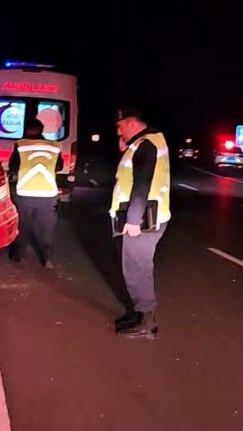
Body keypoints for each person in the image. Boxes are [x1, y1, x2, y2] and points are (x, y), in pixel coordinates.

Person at [111, 107, 170, 339]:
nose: (118, 131)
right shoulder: (146, 143)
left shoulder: (146, 145)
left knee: (137, 270)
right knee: (133, 267)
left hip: (143, 219)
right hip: (146, 215)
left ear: (133, 124)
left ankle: (147, 323)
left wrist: (133, 220)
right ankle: (138, 313)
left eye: (121, 126)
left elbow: (142, 183)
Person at [8, 118, 63, 269]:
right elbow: (59, 167)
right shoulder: (54, 145)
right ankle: (47, 259)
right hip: (47, 193)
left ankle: (18, 255)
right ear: (41, 130)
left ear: (26, 130)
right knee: (47, 227)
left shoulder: (20, 145)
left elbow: (13, 167)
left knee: (22, 225)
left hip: (24, 192)